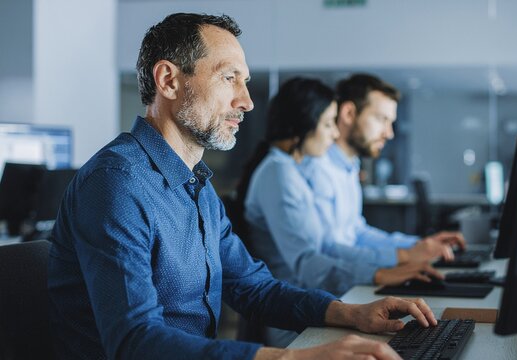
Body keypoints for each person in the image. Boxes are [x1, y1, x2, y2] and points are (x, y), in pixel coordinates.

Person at [47, 13, 438, 360]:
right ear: (168, 80)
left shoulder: (196, 184)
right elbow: (135, 342)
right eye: (228, 77)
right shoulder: (117, 183)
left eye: (245, 81)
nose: (247, 101)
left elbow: (253, 288)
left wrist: (349, 313)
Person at [238, 77, 442, 346]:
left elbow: (328, 246)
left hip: (314, 302)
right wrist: (380, 271)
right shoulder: (278, 172)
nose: (334, 134)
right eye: (327, 124)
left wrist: (393, 262)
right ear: (303, 123)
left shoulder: (288, 170)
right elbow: (308, 264)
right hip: (294, 317)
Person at [300, 74, 466, 264]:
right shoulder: (316, 168)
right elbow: (328, 250)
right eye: (382, 119)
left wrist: (419, 245)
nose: (389, 133)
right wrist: (404, 256)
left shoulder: (348, 166)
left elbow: (356, 233)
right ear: (348, 114)